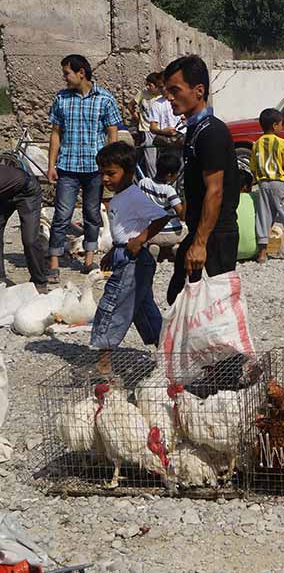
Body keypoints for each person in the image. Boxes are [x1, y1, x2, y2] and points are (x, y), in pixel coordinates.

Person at [163, 55, 240, 305]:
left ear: (199, 91)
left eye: (175, 91)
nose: (169, 98)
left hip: (215, 234)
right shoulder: (196, 130)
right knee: (179, 297)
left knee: (216, 305)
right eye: (167, 91)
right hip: (202, 231)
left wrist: (200, 244)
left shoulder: (211, 132)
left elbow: (215, 191)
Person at [91, 142, 170, 377]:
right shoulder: (119, 197)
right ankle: (168, 353)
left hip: (133, 259)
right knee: (142, 308)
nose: (105, 179)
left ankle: (103, 364)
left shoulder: (133, 195)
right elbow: (122, 231)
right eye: (102, 173)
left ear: (128, 171)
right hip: (127, 256)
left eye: (111, 173)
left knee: (112, 305)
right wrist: (113, 250)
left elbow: (161, 216)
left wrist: (141, 238)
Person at [47, 54, 121, 283]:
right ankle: (54, 264)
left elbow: (112, 132)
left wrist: (111, 164)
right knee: (61, 215)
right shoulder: (61, 99)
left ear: (81, 73)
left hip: (94, 169)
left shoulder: (105, 99)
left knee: (92, 215)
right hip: (68, 166)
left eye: (67, 73)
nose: (64, 78)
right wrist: (51, 164)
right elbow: (56, 133)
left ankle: (89, 261)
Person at [251, 107, 284, 263]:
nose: (282, 127)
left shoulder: (256, 144)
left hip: (263, 184)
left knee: (263, 217)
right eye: (281, 124)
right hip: (280, 184)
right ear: (275, 126)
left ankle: (262, 253)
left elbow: (253, 168)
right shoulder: (281, 143)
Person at [0, 164, 47, 289]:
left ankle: (39, 282)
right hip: (4, 195)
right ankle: (1, 280)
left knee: (30, 240)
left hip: (27, 191)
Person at [139, 151, 186, 259]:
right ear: (169, 175)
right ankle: (176, 247)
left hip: (151, 233)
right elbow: (182, 216)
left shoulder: (143, 183)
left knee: (153, 241)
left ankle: (154, 247)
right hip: (172, 234)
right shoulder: (169, 190)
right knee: (186, 232)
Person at [129, 73, 163, 148]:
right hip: (146, 130)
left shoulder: (163, 96)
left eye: (150, 85)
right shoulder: (143, 93)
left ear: (157, 86)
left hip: (161, 130)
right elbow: (130, 106)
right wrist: (138, 119)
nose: (147, 87)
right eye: (146, 84)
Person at [236, 170, 259, 262]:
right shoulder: (255, 197)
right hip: (252, 251)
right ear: (246, 187)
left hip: (227, 252)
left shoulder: (224, 198)